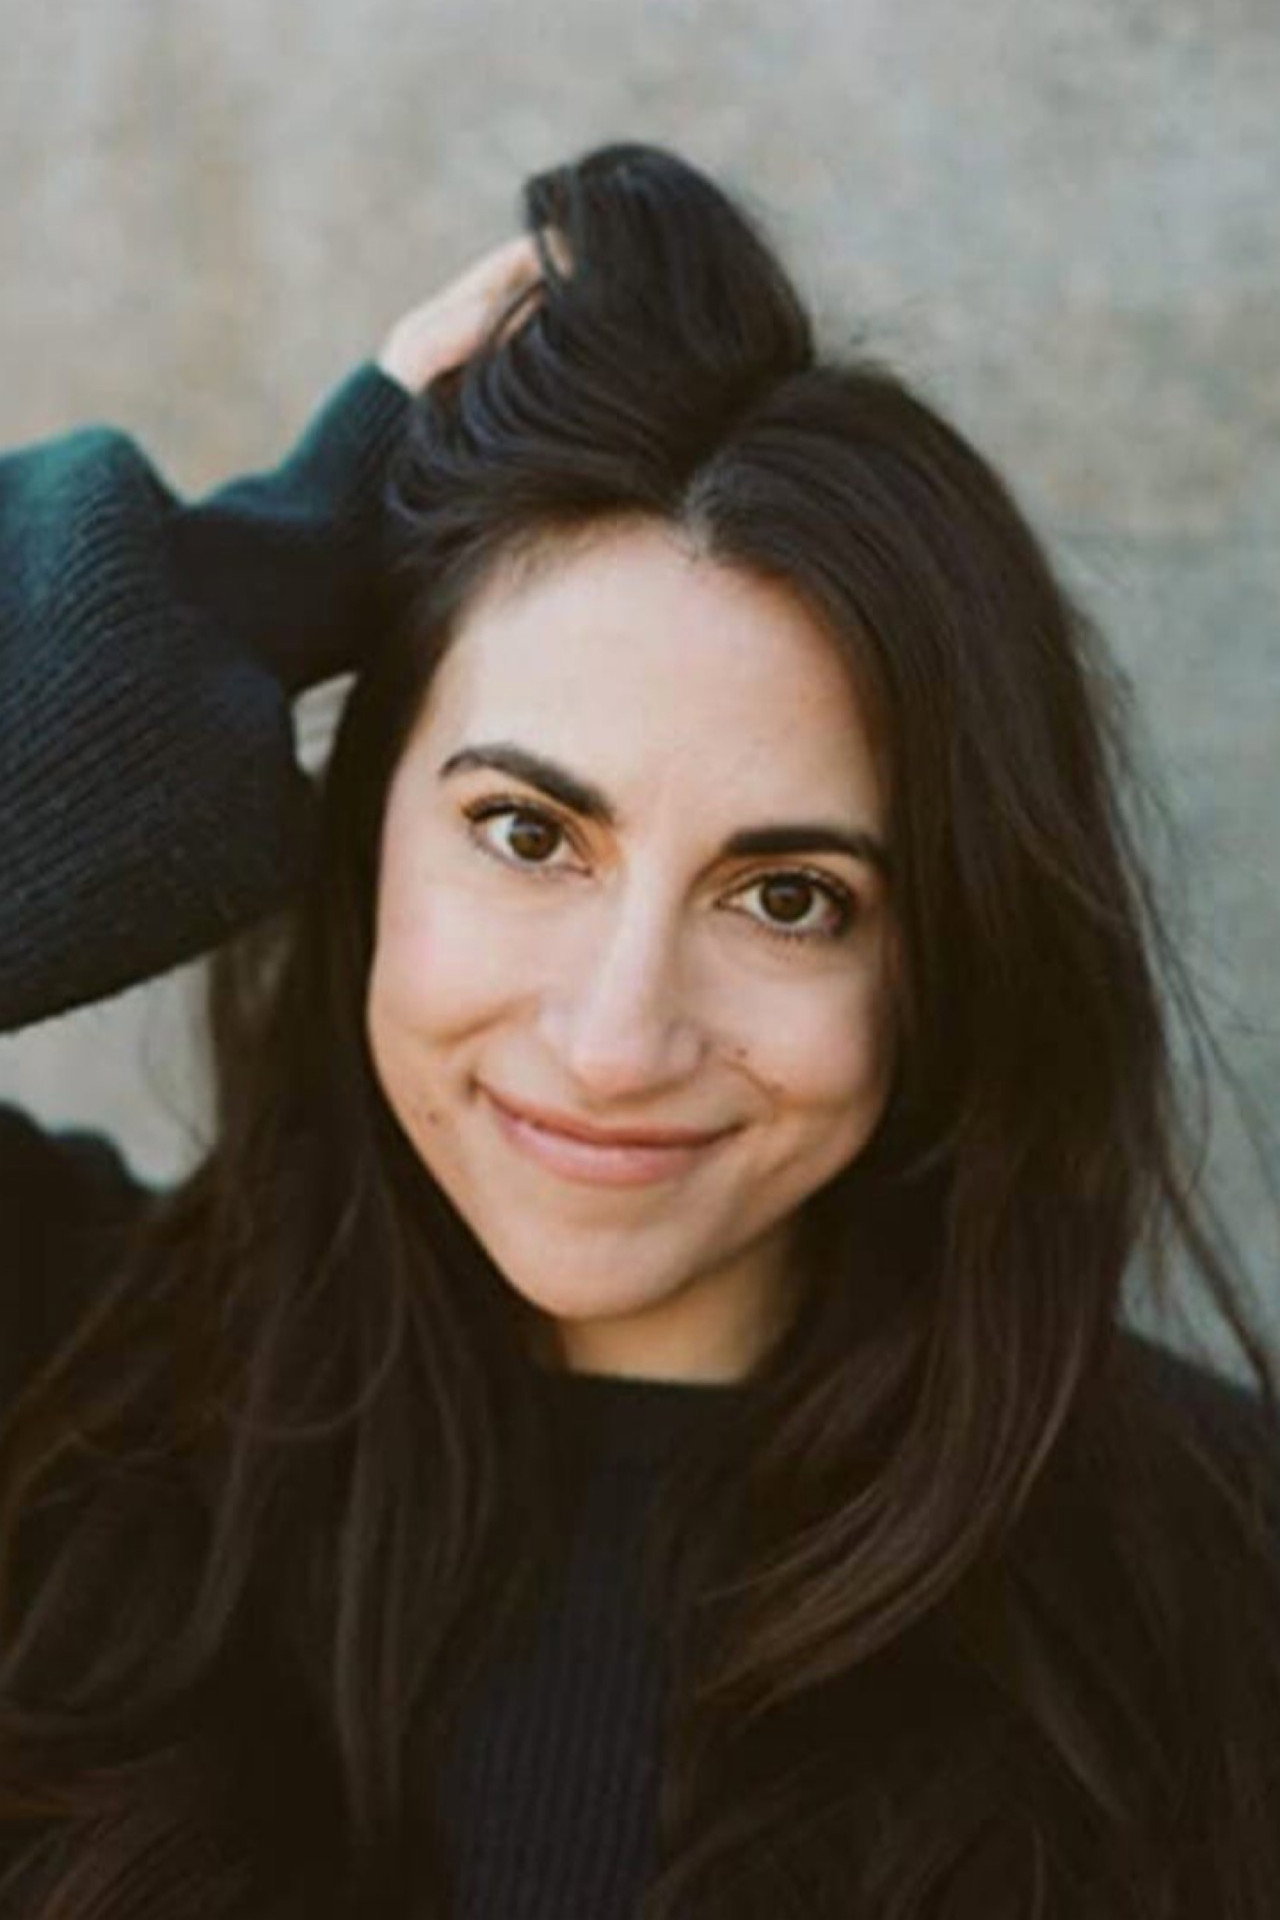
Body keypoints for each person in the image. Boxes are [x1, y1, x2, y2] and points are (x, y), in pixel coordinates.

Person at [0, 141, 1277, 1919]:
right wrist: (244, 582)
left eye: (790, 897)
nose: (616, 1041)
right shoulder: (48, 1370)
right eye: (528, 835)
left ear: (949, 954)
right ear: (367, 839)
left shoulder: (1217, 1580)